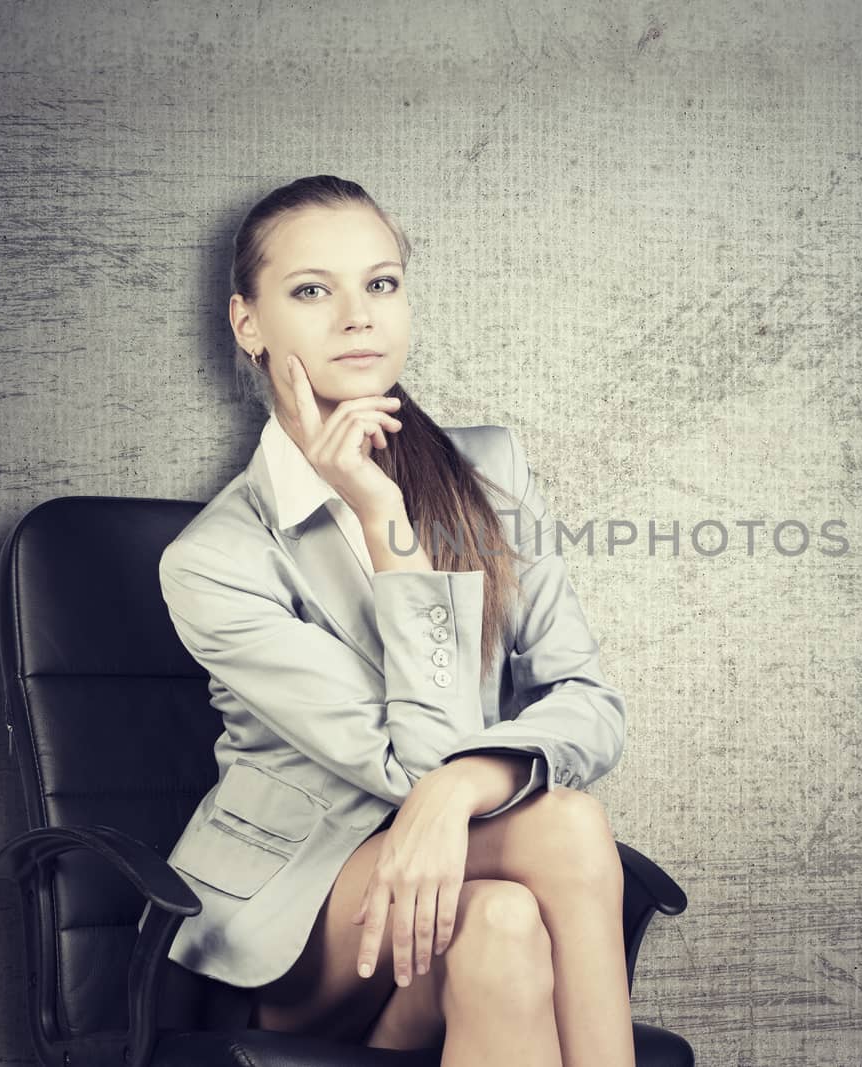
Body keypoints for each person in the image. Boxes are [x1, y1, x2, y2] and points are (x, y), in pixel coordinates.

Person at [146, 175, 633, 1066]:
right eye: (310, 291)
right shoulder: (214, 561)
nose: (357, 317)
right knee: (565, 826)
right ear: (247, 323)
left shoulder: (489, 468)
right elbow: (416, 765)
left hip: (466, 880)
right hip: (306, 919)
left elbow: (590, 699)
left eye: (380, 284)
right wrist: (386, 527)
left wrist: (463, 787)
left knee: (504, 923)